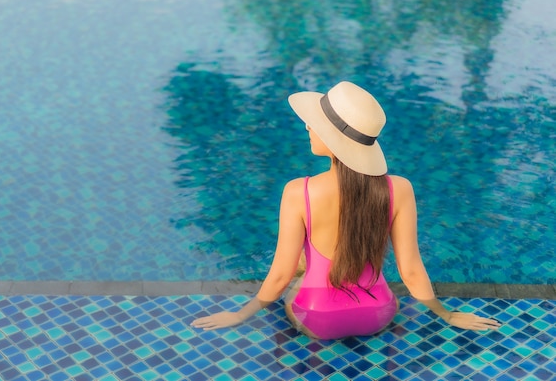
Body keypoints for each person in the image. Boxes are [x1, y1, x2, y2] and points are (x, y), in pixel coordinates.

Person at [191, 81, 501, 339]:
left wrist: (240, 314)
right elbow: (410, 271)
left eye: (315, 123)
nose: (308, 126)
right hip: (378, 315)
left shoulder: (298, 191)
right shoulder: (400, 189)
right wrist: (447, 314)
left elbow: (279, 275)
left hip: (315, 318)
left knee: (299, 267)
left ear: (332, 137)